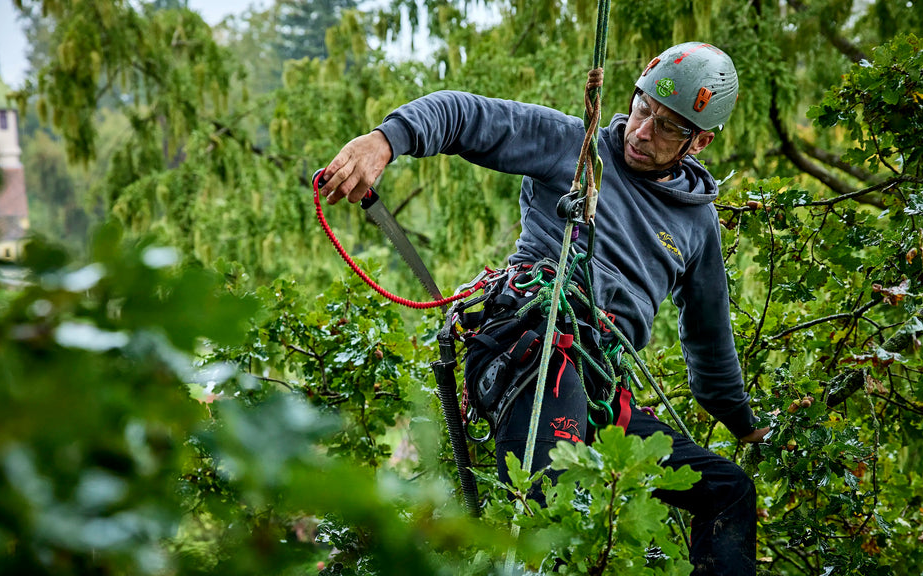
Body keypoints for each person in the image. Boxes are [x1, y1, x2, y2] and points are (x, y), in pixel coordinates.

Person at [319, 41, 770, 575]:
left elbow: (711, 350)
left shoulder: (697, 227)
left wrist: (748, 426)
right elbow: (465, 116)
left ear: (700, 142)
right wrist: (384, 142)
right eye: (643, 108)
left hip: (600, 391)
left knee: (730, 491)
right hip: (533, 353)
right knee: (549, 517)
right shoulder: (574, 149)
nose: (643, 131)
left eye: (668, 127)